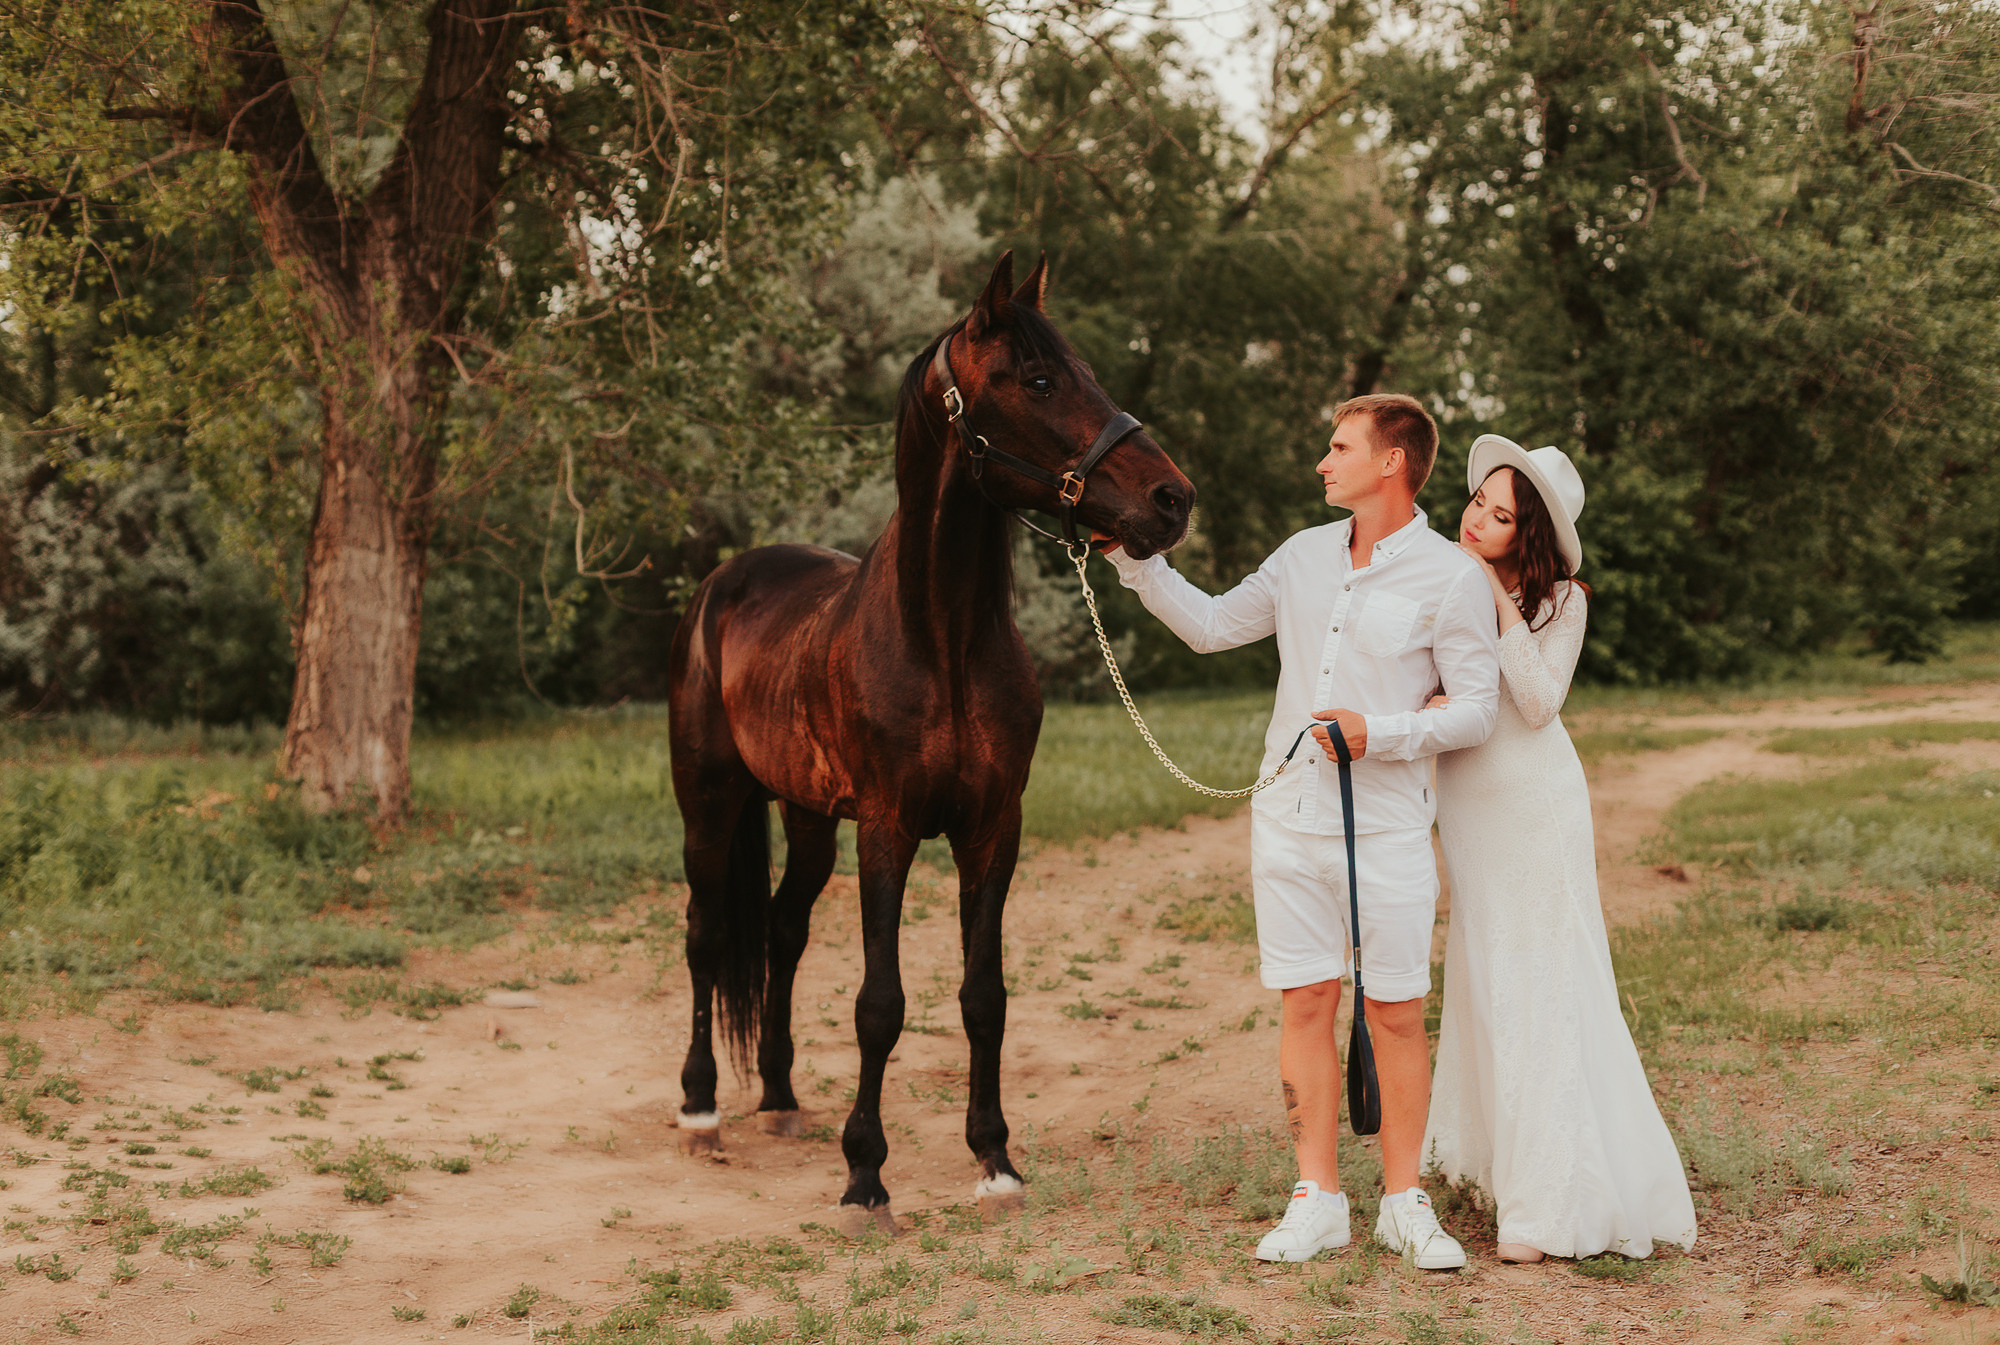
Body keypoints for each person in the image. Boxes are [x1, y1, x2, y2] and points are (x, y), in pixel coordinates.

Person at [1102, 394, 1499, 1268]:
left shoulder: (1451, 576)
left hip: (1387, 829)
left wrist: (1378, 732)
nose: (1323, 462)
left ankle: (1403, 1202)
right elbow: (1212, 626)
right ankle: (1317, 1198)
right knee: (1306, 1001)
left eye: (1339, 446)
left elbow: (1477, 709)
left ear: (1392, 461)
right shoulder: (1301, 555)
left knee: (1394, 1011)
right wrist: (1133, 561)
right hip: (1284, 820)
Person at [1421, 436, 1699, 1263]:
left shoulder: (1562, 601)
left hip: (1535, 806)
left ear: (1529, 532)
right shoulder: (1441, 578)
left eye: (1500, 515)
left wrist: (1496, 598)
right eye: (1477, 502)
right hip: (1468, 812)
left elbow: (1540, 702)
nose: (1477, 520)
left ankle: (1544, 1206)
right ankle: (1504, 1166)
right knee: (1486, 976)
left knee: (1539, 982)